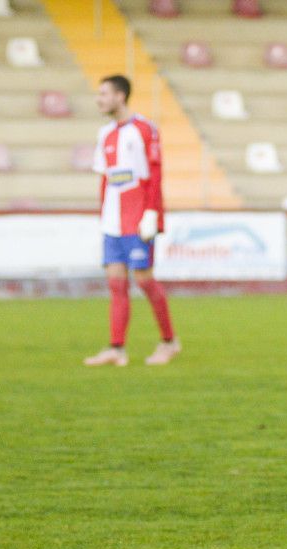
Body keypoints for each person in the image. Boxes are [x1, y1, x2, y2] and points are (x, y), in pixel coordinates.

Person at [83, 75, 180, 367]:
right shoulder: (105, 134)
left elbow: (155, 174)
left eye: (104, 94)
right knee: (116, 283)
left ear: (120, 96)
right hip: (113, 222)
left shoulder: (144, 129)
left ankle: (169, 341)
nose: (99, 99)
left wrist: (152, 213)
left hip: (138, 219)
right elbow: (105, 180)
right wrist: (103, 217)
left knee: (145, 281)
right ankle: (116, 348)